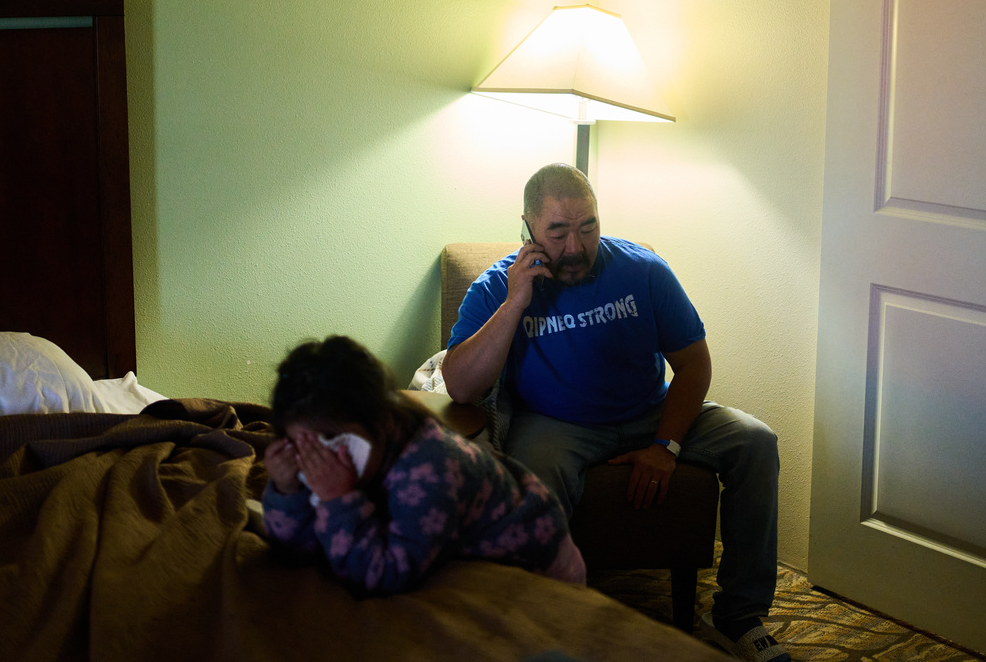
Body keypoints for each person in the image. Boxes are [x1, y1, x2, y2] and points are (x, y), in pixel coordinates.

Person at [441, 163, 789, 662]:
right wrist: (516, 303)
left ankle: (739, 616)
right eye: (557, 232)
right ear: (528, 228)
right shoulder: (498, 286)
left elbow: (694, 364)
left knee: (755, 441)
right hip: (558, 424)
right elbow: (459, 386)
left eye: (588, 227)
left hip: (649, 410)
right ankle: (545, 624)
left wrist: (666, 445)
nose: (576, 246)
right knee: (530, 478)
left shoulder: (643, 270)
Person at [261, 335, 586, 595]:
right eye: (301, 446)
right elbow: (304, 551)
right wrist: (288, 493)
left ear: (382, 421)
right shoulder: (347, 462)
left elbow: (381, 577)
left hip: (539, 568)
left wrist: (338, 500)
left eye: (332, 440)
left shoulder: (431, 470)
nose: (319, 460)